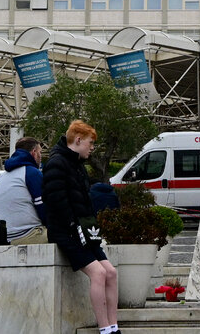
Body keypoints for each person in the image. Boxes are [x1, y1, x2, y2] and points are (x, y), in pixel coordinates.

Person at [42, 120, 120, 334]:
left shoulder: (75, 164)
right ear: (78, 140)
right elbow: (56, 201)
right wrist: (72, 226)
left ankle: (113, 326)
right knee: (99, 274)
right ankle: (105, 329)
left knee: (111, 273)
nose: (92, 147)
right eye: (90, 142)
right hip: (66, 232)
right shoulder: (57, 163)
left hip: (84, 230)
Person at [0, 137, 48, 245]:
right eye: (40, 152)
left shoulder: (3, 176)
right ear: (34, 152)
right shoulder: (31, 173)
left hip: (3, 236)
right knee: (72, 238)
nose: (41, 157)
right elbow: (44, 209)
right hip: (27, 235)